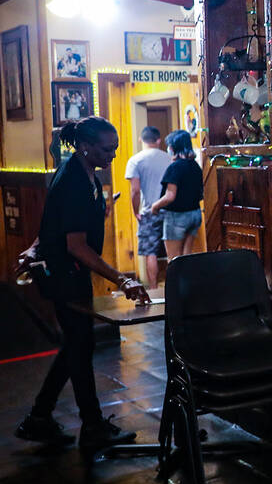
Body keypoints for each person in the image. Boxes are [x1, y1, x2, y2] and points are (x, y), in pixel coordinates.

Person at [14, 116, 149, 450]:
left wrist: (35, 246)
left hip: (69, 272)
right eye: (107, 149)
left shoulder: (83, 170)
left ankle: (40, 417)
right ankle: (90, 426)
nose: (113, 155)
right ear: (85, 146)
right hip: (65, 276)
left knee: (77, 345)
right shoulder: (73, 180)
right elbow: (75, 245)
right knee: (80, 346)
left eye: (115, 149)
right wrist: (122, 279)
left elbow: (53, 223)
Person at [124, 126, 172, 288]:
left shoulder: (135, 160)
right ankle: (174, 288)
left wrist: (135, 211)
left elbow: (135, 191)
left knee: (150, 252)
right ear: (158, 140)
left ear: (141, 140)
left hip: (148, 212)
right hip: (170, 210)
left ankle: (153, 289)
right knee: (173, 251)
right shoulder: (169, 158)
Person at [149, 130, 203, 259]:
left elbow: (170, 196)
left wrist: (155, 206)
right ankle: (189, 280)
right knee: (186, 256)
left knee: (174, 260)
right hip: (195, 214)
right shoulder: (195, 166)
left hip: (177, 216)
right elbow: (201, 193)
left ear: (173, 147)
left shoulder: (175, 167)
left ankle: (176, 280)